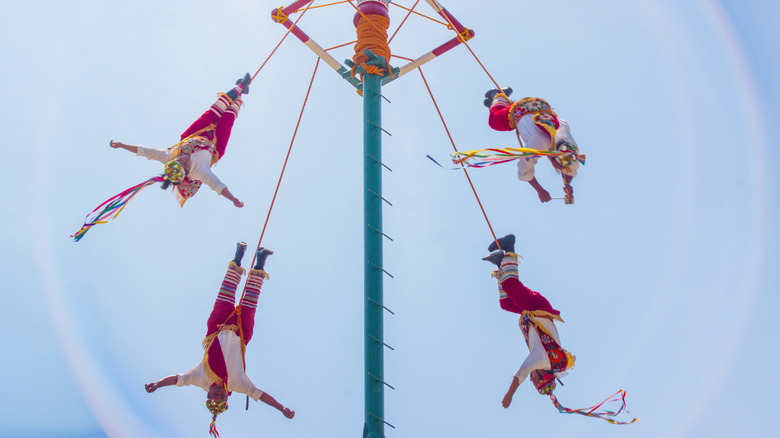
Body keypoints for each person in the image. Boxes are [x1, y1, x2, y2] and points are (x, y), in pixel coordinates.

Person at [145, 243, 295, 435]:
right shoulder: (238, 384)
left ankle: (238, 257)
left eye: (213, 395)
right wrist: (281, 408)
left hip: (216, 328)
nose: (218, 393)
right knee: (251, 300)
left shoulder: (199, 378)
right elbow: (261, 395)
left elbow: (177, 379)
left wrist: (158, 384)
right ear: (226, 398)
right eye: (221, 397)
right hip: (241, 333)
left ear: (208, 394)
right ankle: (260, 260)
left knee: (226, 293)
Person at [111, 74, 253, 208]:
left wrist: (122, 145)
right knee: (228, 118)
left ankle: (240, 86)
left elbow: (145, 151)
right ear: (186, 171)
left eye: (178, 160)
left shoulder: (169, 157)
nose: (182, 158)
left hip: (194, 135)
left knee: (215, 110)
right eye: (184, 162)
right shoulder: (199, 172)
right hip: (215, 146)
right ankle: (239, 94)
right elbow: (217, 185)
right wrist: (233, 199)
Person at [481, 234, 575, 407]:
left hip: (533, 311)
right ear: (543, 375)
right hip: (537, 308)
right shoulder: (541, 360)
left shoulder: (547, 360)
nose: (531, 380)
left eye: (533, 382)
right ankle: (509, 247)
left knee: (506, 303)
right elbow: (521, 374)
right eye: (535, 381)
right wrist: (509, 395)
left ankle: (500, 264)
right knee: (512, 287)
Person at [484, 88, 582, 204]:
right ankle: (497, 96)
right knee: (495, 120)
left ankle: (504, 101)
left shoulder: (570, 147)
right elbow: (524, 170)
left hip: (539, 107)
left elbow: (572, 167)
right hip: (519, 111)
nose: (560, 168)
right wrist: (540, 190)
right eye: (559, 165)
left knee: (513, 117)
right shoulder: (539, 144)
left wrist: (567, 184)